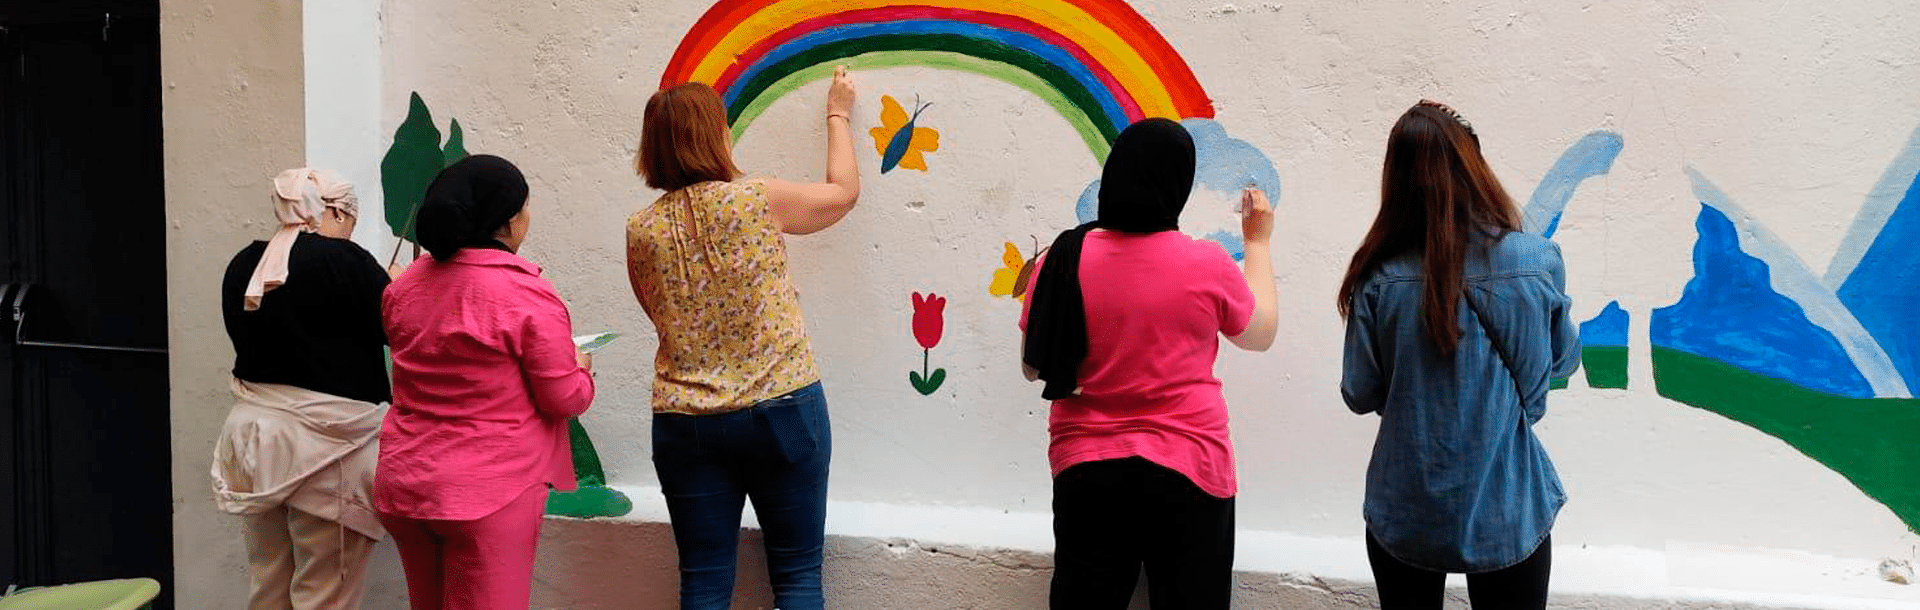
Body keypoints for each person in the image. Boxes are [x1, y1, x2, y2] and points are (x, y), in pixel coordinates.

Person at [1020, 117, 1279, 610]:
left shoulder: (1060, 259)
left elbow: (1033, 367)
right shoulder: (1206, 264)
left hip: (1086, 468)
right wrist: (1258, 242)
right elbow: (1259, 334)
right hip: (1190, 464)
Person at [626, 67, 859, 610]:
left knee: (703, 585)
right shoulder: (756, 198)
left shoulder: (640, 230)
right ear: (715, 135)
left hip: (686, 422)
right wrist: (838, 113)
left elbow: (656, 312)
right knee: (798, 577)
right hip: (784, 406)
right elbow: (843, 193)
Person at [1337, 100, 1580, 609]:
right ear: (1474, 168)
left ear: (1397, 179)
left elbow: (1360, 393)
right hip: (1508, 502)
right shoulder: (1535, 261)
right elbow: (1561, 363)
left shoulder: (1378, 275)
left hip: (1405, 505)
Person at [376, 154, 596, 610]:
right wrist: (582, 368)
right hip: (493, 488)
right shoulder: (526, 293)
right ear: (509, 221)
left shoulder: (403, 288)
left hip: (408, 481)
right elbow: (563, 399)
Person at [212, 168, 390, 610]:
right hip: (328, 450)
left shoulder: (243, 264)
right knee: (326, 593)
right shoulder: (349, 262)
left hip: (254, 443)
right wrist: (395, 287)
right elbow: (401, 330)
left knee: (268, 586)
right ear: (335, 212)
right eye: (351, 220)